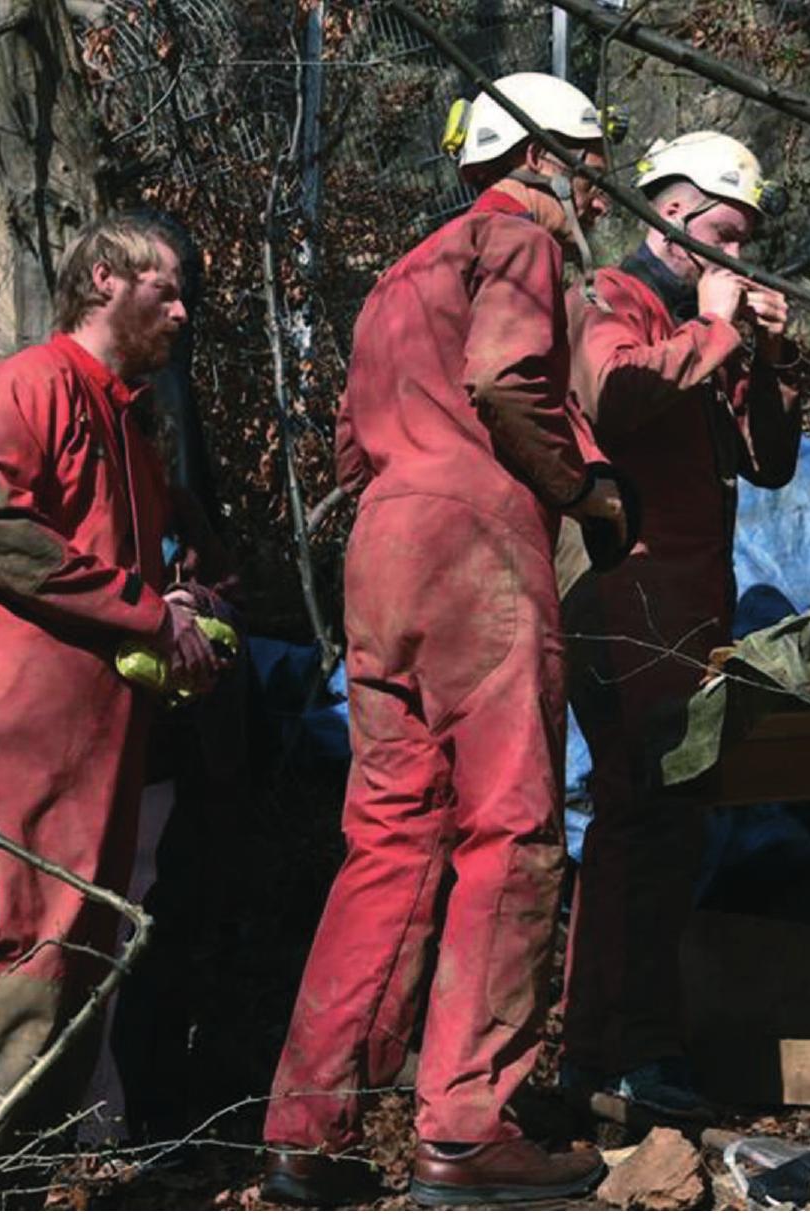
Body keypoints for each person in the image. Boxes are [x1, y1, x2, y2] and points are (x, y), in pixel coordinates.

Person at [260, 72, 631, 1209]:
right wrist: (593, 495)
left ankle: (304, 1134)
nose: (597, 191)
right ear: (541, 160)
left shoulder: (398, 272)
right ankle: (468, 1127)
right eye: (590, 165)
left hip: (381, 547)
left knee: (387, 838)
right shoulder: (517, 239)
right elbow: (508, 379)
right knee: (512, 827)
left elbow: (345, 442)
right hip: (475, 538)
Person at [0, 214, 235, 1205]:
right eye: (165, 288)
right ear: (104, 278)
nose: (181, 309)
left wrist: (186, 604)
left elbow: (157, 562)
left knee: (73, 957)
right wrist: (140, 611)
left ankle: (12, 1186)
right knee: (4, 952)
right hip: (13, 716)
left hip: (98, 730)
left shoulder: (130, 418)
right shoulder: (24, 386)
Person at [559, 131, 801, 1116]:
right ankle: (615, 1051)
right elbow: (609, 399)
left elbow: (770, 460)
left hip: (690, 603)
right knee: (638, 815)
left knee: (667, 823)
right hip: (629, 592)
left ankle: (630, 1049)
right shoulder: (606, 298)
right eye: (716, 233)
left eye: (743, 241)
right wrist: (710, 327)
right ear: (662, 208)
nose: (730, 257)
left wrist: (773, 355)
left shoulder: (708, 316)